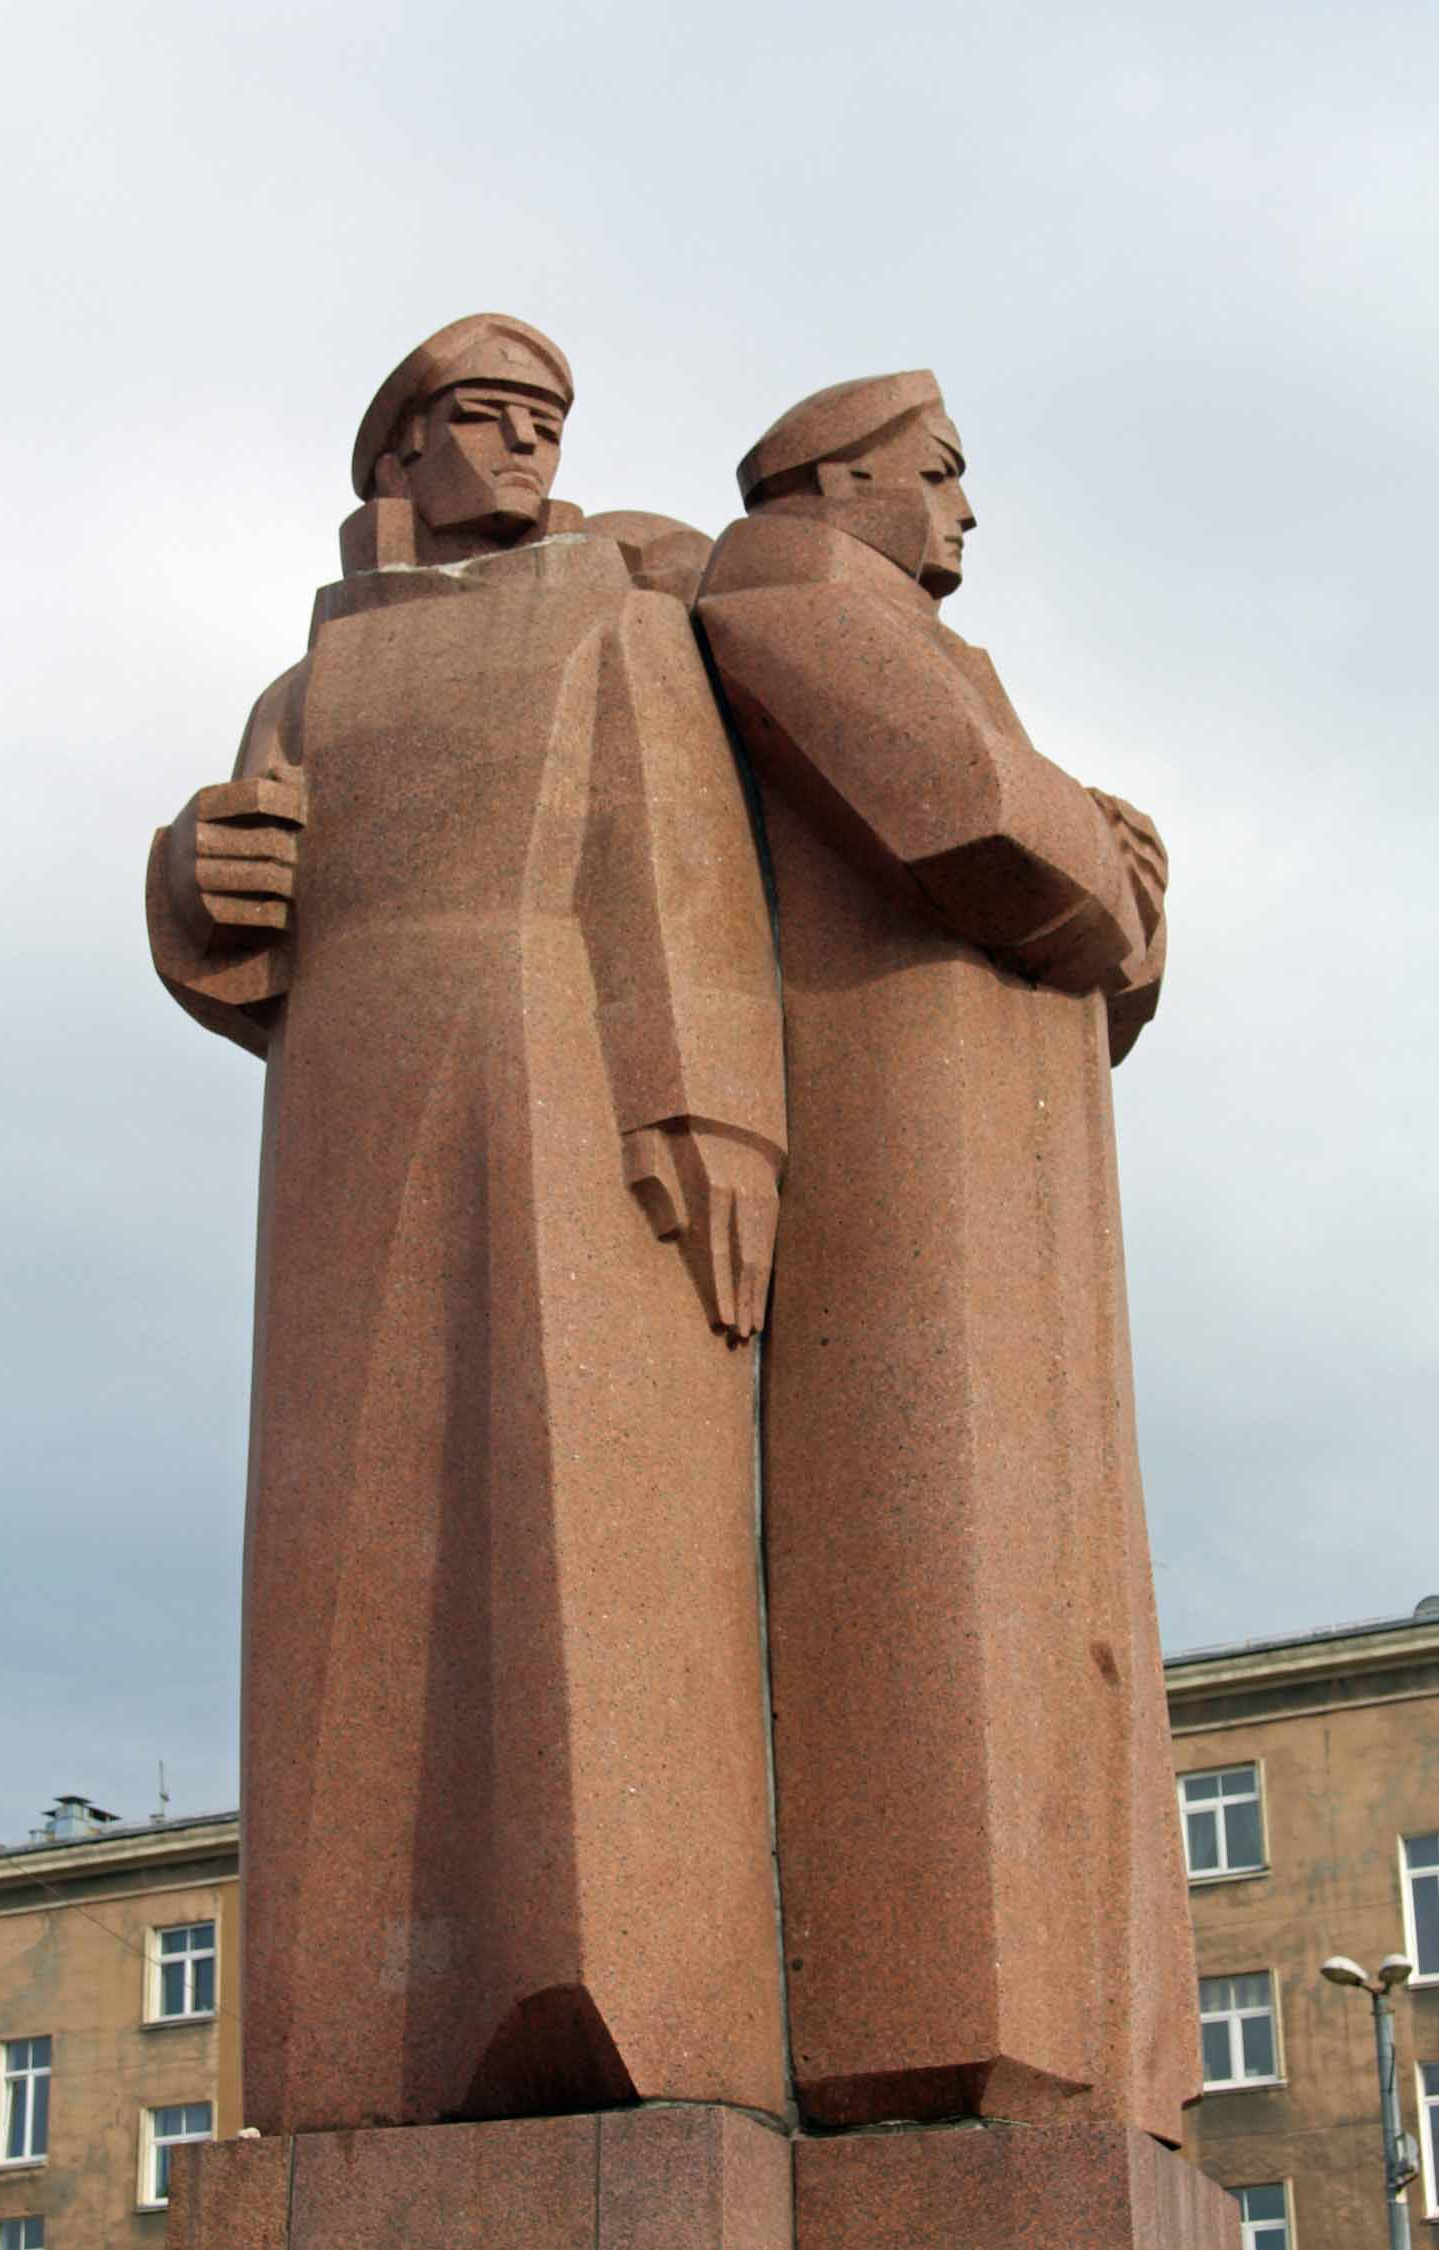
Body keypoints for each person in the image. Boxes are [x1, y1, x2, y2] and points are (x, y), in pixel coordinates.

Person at [147, 315, 788, 2136]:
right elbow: (234, 889)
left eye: (544, 424)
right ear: (399, 459)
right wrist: (193, 881)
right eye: (485, 420)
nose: (522, 449)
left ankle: (600, 1983)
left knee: (580, 1504)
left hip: (553, 1081)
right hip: (345, 1102)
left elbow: (663, 856)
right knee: (347, 1526)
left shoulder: (606, 611)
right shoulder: (311, 678)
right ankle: (358, 2033)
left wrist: (707, 1097)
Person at [695, 371, 1198, 2144]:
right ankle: (948, 2012)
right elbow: (967, 820)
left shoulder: (910, 631)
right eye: (942, 473)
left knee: (1052, 1579)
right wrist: (1110, 859)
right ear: (840, 479)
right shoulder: (783, 591)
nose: (968, 510)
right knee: (944, 1558)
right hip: (901, 1142)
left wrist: (1109, 888)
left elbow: (1041, 867)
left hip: (1010, 1153)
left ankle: (1058, 2025)